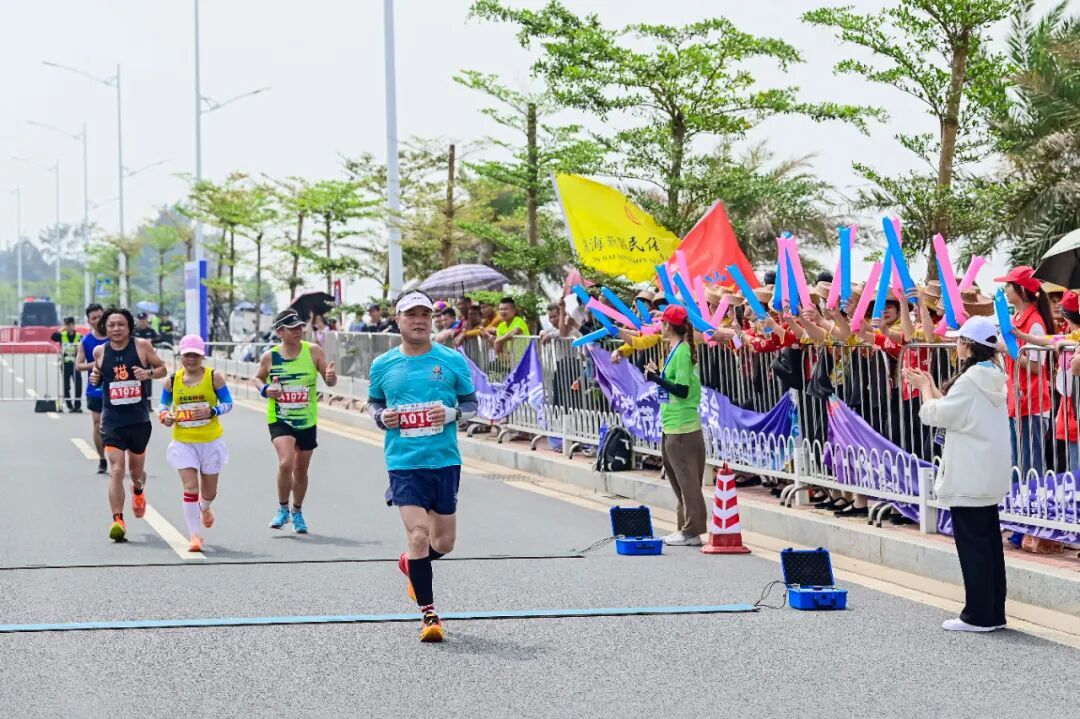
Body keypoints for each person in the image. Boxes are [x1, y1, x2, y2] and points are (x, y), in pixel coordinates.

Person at [366, 290, 477, 642]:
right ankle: (430, 615)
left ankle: (410, 564)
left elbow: (472, 405)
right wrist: (382, 417)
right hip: (404, 462)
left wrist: (452, 414)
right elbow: (374, 404)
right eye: (411, 314)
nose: (419, 321)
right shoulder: (383, 365)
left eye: (425, 315)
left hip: (444, 460)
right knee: (418, 534)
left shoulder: (451, 360)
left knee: (444, 543)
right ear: (397, 320)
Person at [906, 315, 1010, 632]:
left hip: (968, 474)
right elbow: (957, 411)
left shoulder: (970, 380)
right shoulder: (993, 375)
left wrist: (925, 389)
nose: (956, 346)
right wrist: (932, 388)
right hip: (986, 473)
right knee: (989, 545)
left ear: (968, 345)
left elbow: (936, 415)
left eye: (959, 341)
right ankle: (993, 613)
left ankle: (978, 616)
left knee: (974, 547)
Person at [89, 306, 169, 542]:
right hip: (112, 420)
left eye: (121, 324)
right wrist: (94, 377)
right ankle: (118, 521)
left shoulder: (142, 346)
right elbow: (97, 375)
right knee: (116, 469)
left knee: (136, 473)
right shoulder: (99, 351)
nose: (116, 329)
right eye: (111, 325)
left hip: (138, 420)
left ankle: (138, 489)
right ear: (105, 328)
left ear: (129, 327)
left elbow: (162, 369)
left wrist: (148, 374)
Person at [255, 309, 337, 534]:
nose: (298, 331)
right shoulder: (270, 356)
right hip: (280, 417)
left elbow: (329, 380)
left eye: (300, 327)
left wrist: (331, 377)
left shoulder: (313, 351)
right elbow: (258, 377)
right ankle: (282, 508)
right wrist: (265, 389)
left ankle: (297, 511)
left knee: (300, 470)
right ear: (280, 332)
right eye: (292, 328)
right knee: (286, 463)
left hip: (306, 420)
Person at [158, 335, 232, 552]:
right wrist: (165, 417)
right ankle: (194, 535)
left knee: (209, 492)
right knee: (190, 487)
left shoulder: (214, 378)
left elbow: (228, 403)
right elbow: (162, 406)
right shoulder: (172, 381)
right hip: (184, 442)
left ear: (202, 356)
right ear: (180, 356)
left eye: (195, 355)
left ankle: (205, 507)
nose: (191, 359)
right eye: (187, 355)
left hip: (210, 442)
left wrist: (212, 411)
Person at [643, 305, 707, 546]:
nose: (659, 326)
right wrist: (658, 375)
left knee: (687, 481)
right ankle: (684, 528)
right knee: (679, 481)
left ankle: (692, 531)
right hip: (671, 424)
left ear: (668, 326)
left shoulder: (681, 352)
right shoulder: (677, 349)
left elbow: (682, 390)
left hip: (682, 427)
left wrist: (656, 379)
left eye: (662, 322)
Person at [76, 304, 109, 474]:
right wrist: (96, 364)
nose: (98, 320)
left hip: (116, 388)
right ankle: (102, 458)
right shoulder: (86, 341)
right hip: (95, 388)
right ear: (89, 321)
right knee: (98, 424)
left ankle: (118, 456)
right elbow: (79, 365)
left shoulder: (116, 336)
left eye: (100, 316)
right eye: (94, 318)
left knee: (117, 424)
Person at [51, 316, 83, 412]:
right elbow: (53, 337)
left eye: (70, 324)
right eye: (67, 325)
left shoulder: (79, 336)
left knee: (78, 385)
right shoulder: (62, 335)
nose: (69, 327)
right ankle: (69, 406)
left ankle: (77, 406)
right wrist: (62, 329)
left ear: (74, 325)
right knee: (66, 386)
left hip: (76, 365)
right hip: (65, 365)